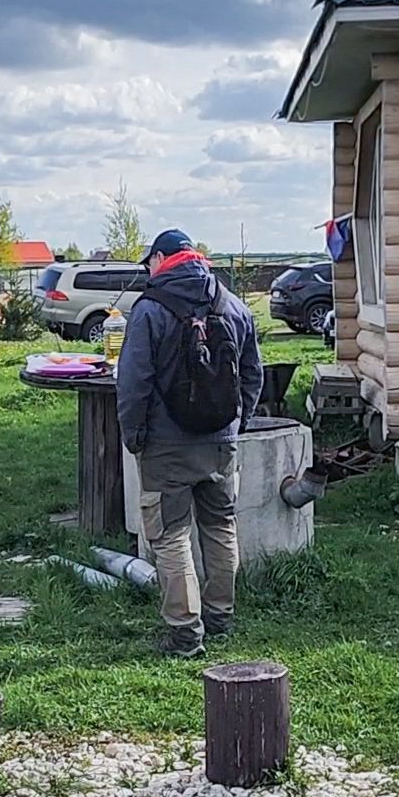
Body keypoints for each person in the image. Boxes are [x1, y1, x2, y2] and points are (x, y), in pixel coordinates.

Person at [116, 229, 264, 657]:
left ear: (163, 258)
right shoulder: (233, 305)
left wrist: (134, 433)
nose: (149, 269)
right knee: (220, 527)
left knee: (170, 535)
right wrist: (240, 423)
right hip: (221, 439)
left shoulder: (149, 310)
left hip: (166, 444)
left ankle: (185, 633)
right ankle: (221, 617)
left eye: (150, 262)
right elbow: (253, 374)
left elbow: (133, 381)